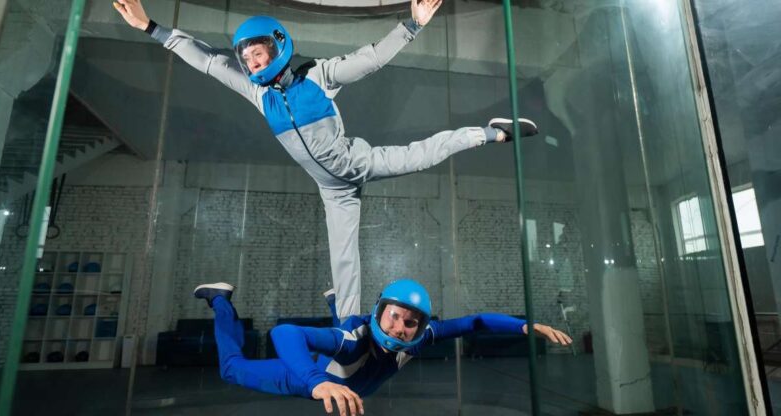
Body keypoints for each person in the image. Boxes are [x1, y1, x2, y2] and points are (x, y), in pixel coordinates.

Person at [114, 0, 540, 321]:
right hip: (332, 189)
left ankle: (493, 133)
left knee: (424, 154)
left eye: (258, 53)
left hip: (359, 162)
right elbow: (207, 60)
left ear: (277, 46)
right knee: (344, 258)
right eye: (246, 58)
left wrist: (412, 25)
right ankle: (350, 327)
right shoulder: (258, 94)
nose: (252, 62)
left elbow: (371, 59)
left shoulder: (318, 76)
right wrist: (149, 26)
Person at [192, 280, 572, 416]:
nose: (400, 328)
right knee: (231, 369)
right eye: (393, 316)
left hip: (341, 379)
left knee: (348, 333)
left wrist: (524, 325)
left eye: (411, 322)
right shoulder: (352, 340)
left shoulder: (422, 337)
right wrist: (314, 382)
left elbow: (474, 322)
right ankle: (220, 299)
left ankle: (336, 301)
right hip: (309, 378)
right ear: (379, 312)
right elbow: (285, 333)